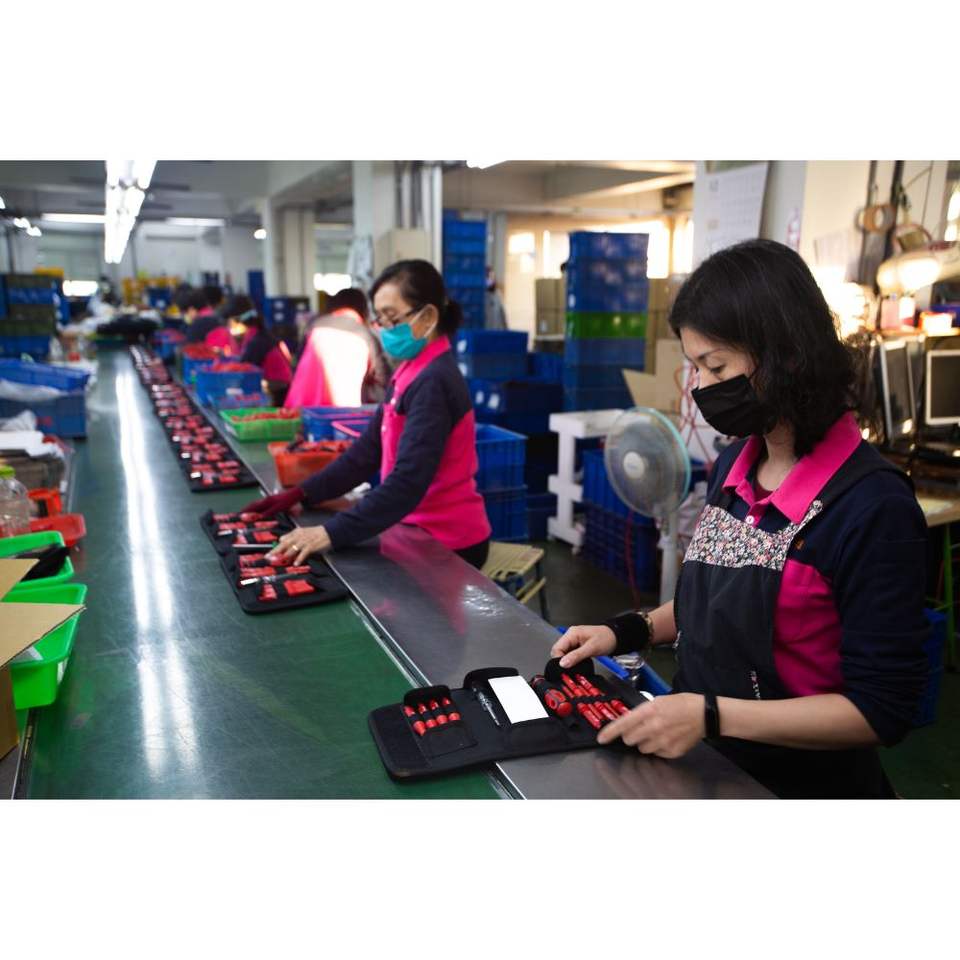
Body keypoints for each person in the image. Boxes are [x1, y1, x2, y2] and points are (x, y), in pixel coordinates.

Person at [551, 238, 930, 799]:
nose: (701, 388)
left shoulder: (872, 507)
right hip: (707, 766)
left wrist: (709, 715)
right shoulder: (735, 466)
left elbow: (881, 710)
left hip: (799, 790)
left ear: (786, 355)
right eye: (696, 367)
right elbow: (715, 603)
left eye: (716, 366)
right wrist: (626, 631)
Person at [243, 259, 492, 569]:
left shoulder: (435, 381)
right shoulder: (410, 370)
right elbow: (366, 452)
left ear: (428, 316)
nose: (384, 329)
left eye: (392, 318)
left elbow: (408, 482)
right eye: (380, 319)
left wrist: (329, 533)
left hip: (446, 540)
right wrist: (303, 493)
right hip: (414, 527)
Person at [285, 287, 391, 407]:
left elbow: (297, 363)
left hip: (300, 406)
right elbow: (382, 377)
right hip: (342, 411)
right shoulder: (365, 334)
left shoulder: (314, 326)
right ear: (363, 308)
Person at [224, 295, 293, 406]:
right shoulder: (259, 333)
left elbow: (244, 370)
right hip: (280, 389)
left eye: (230, 322)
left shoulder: (257, 341)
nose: (229, 327)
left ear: (237, 320)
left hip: (278, 395)